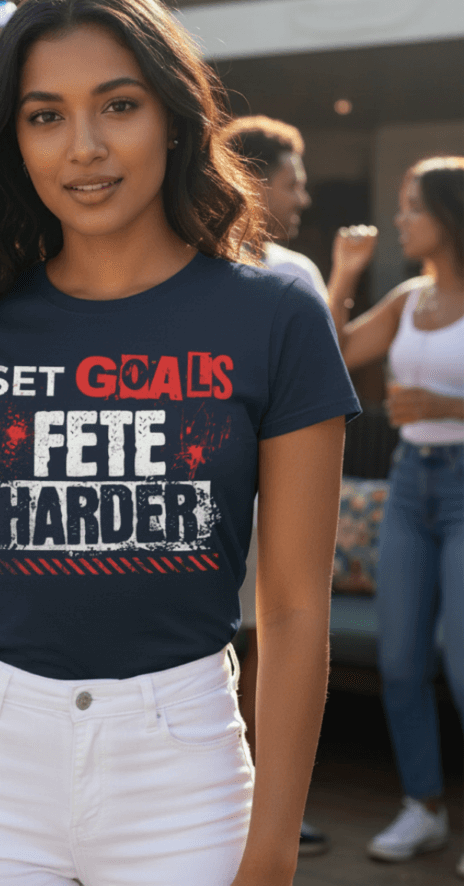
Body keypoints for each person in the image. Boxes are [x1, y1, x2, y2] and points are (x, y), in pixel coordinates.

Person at [0, 0, 360, 886]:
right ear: (15, 139)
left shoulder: (277, 313)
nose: (83, 148)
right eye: (45, 116)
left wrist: (272, 848)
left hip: (182, 759)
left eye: (116, 105)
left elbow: (290, 607)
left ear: (171, 114)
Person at [327, 156, 464, 877]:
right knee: (398, 660)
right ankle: (423, 806)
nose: (400, 218)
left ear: (449, 213)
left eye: (413, 206)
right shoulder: (409, 297)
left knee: (463, 663)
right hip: (411, 483)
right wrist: (345, 275)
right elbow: (328, 354)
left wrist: (448, 408)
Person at [222, 114, 347, 857]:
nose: (301, 198)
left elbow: (311, 391)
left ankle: (267, 801)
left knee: (272, 634)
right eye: (294, 183)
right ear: (258, 179)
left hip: (275, 496)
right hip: (222, 497)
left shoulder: (294, 275)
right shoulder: (199, 267)